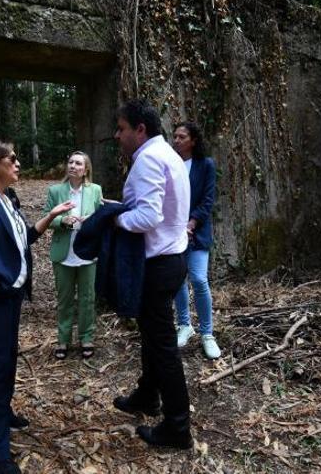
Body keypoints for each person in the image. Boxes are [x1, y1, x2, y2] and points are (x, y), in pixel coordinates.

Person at [0, 141, 74, 474]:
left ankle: (1, 413)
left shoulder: (8, 199)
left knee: (7, 355)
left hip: (11, 293)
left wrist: (51, 216)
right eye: (12, 159)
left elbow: (25, 239)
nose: (18, 164)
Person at [111, 100, 193, 449]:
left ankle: (177, 428)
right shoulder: (169, 155)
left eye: (122, 128)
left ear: (140, 129)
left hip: (159, 263)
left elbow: (147, 218)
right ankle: (147, 396)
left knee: (162, 346)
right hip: (172, 257)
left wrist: (114, 219)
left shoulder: (147, 159)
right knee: (152, 336)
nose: (118, 135)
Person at [45, 152, 103, 359]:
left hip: (87, 252)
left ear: (86, 169)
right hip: (63, 253)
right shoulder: (55, 191)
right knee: (64, 299)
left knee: (87, 298)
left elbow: (102, 219)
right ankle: (63, 340)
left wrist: (91, 220)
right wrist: (62, 221)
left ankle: (87, 337)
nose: (73, 165)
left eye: (78, 163)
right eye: (70, 162)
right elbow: (47, 218)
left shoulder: (95, 190)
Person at [171, 122, 221, 359]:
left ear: (193, 140)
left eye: (182, 137)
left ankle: (207, 333)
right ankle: (184, 325)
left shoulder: (206, 165)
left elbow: (208, 200)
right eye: (175, 137)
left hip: (197, 233)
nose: (177, 140)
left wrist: (191, 224)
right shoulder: (171, 164)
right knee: (178, 280)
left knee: (199, 280)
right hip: (173, 233)